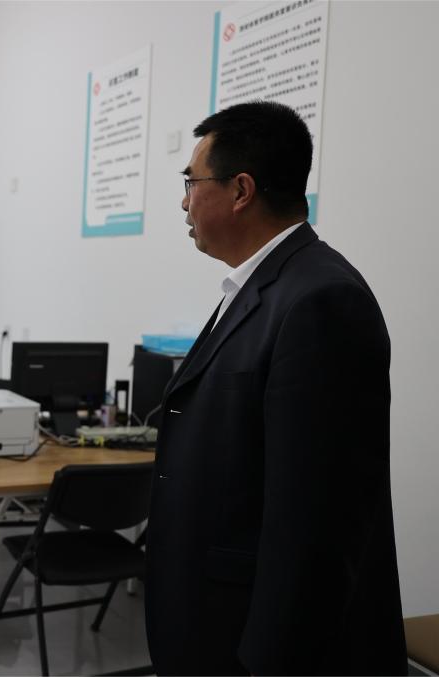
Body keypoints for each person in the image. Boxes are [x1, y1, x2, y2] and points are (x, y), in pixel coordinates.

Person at [144, 101, 406, 674]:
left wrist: (266, 661)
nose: (184, 202)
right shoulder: (262, 286)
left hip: (258, 643)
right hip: (211, 615)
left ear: (241, 190)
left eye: (191, 182)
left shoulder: (320, 299)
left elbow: (316, 524)